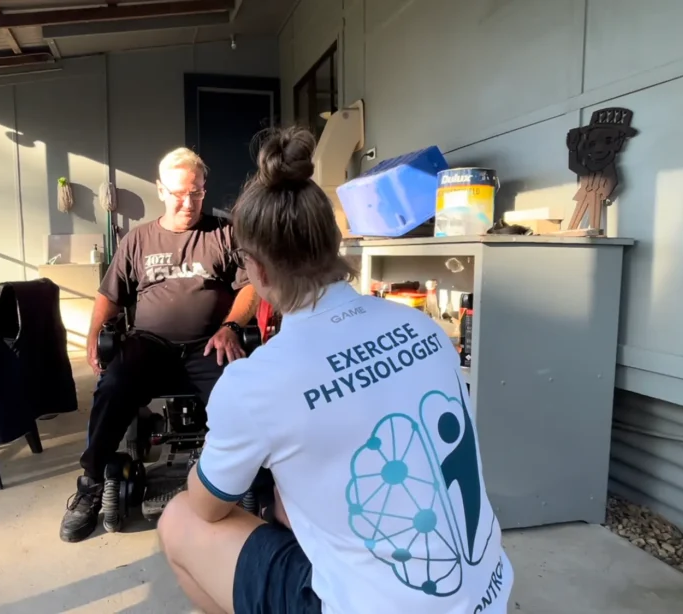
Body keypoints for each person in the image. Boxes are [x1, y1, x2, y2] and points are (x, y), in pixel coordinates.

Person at [156, 127, 513, 614]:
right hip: (487, 594)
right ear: (336, 244)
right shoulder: (423, 328)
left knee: (178, 519)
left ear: (256, 271)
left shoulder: (258, 380)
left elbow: (207, 506)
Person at [59, 147, 257, 543]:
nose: (188, 202)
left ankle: (247, 482)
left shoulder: (226, 233)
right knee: (112, 389)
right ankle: (92, 483)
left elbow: (251, 286)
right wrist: (93, 338)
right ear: (161, 190)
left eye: (197, 193)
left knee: (243, 402)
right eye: (179, 193)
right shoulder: (138, 239)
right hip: (149, 345)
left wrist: (232, 326)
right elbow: (109, 296)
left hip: (209, 344)